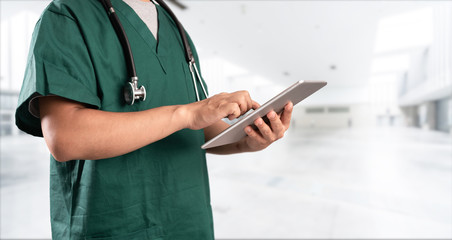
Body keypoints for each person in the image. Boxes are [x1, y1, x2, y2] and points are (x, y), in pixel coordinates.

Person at [15, 0, 293, 239]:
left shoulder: (176, 32)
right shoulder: (67, 15)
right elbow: (66, 137)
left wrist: (248, 140)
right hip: (112, 224)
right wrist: (184, 114)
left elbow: (201, 128)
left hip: (188, 222)